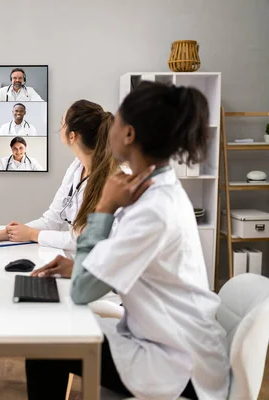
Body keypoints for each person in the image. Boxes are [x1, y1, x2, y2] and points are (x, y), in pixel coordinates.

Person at [25, 82, 229, 400]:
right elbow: (122, 265)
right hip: (165, 340)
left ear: (129, 134)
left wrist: (104, 209)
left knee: (46, 343)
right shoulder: (150, 188)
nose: (110, 127)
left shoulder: (152, 208)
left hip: (177, 364)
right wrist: (79, 265)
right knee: (53, 335)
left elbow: (82, 291)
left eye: (117, 120)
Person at [0, 100, 117, 254]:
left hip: (99, 267)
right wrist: (0, 234)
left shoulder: (115, 178)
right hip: (77, 260)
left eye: (62, 124)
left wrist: (33, 234)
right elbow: (51, 221)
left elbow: (87, 239)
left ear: (72, 136)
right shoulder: (77, 167)